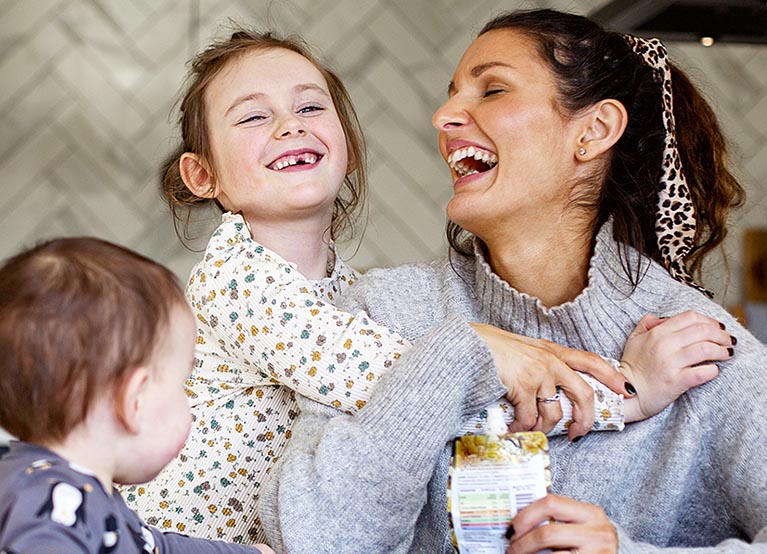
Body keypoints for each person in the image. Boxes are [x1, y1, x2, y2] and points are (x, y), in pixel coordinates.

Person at [122, 28, 731, 546]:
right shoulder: (238, 282)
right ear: (203, 175)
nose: (288, 126)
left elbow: (427, 410)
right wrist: (625, 396)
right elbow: (418, 392)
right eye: (254, 116)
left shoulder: (353, 293)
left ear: (348, 149)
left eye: (310, 108)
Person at [0, 238, 273, 554]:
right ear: (135, 402)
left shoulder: (59, 486)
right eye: (183, 383)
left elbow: (155, 547)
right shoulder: (53, 512)